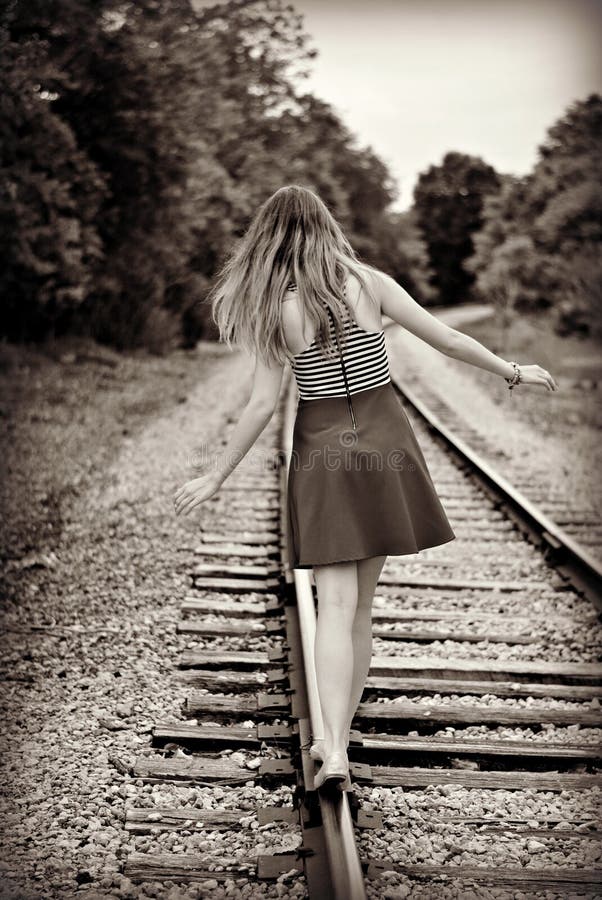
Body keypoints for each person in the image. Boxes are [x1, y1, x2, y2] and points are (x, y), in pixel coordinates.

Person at [173, 184, 559, 792]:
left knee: (335, 607)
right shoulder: (368, 282)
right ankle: (338, 737)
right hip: (385, 445)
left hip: (324, 451)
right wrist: (514, 372)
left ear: (268, 239)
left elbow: (260, 405)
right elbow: (448, 340)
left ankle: (330, 748)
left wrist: (216, 474)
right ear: (327, 225)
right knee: (362, 612)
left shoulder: (277, 304)